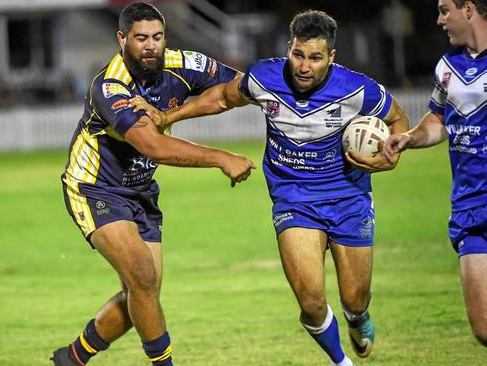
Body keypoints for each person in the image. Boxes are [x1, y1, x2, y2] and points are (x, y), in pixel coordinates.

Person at [131, 10, 409, 365]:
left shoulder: (357, 89)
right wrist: (168, 117)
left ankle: (356, 318)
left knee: (355, 298)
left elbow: (398, 118)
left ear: (331, 58)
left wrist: (392, 156)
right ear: (288, 48)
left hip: (348, 197)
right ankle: (342, 362)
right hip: (293, 197)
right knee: (310, 302)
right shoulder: (265, 77)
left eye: (315, 58)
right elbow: (222, 98)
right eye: (298, 54)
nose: (304, 66)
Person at [51, 3, 255, 366]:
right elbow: (153, 146)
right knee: (143, 279)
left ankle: (74, 357)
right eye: (141, 38)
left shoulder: (183, 64)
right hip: (95, 187)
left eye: (157, 37)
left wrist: (177, 113)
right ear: (122, 38)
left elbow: (240, 86)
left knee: (143, 293)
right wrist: (222, 157)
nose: (150, 46)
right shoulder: (111, 85)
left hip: (141, 190)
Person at [384, 0, 487, 347]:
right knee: (484, 328)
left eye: (445, 10)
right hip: (470, 206)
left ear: (468, 9)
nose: (439, 19)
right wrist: (409, 138)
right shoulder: (448, 66)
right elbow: (440, 119)